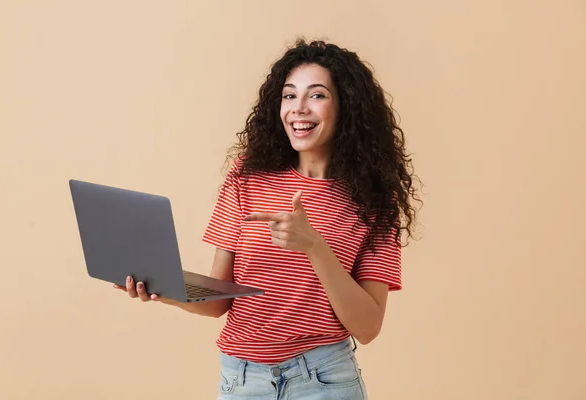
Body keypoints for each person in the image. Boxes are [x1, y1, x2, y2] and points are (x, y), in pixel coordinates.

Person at [114, 39, 420, 399]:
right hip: (242, 382)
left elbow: (367, 328)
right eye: (289, 96)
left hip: (323, 381)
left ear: (346, 106)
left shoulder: (374, 201)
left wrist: (314, 246)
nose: (298, 109)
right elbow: (219, 301)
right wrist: (158, 282)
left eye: (317, 96)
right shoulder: (248, 175)